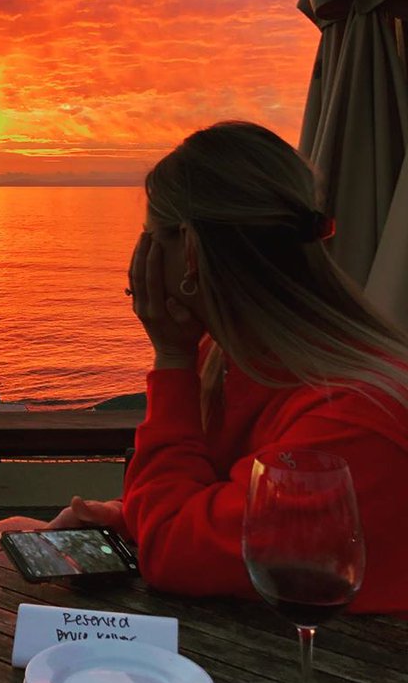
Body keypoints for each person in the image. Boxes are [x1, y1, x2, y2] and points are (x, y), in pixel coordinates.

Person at [51, 121, 408, 612]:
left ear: (192, 252)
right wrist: (128, 518)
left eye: (152, 237)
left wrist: (171, 362)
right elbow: (214, 509)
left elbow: (176, 553)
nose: (140, 259)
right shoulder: (233, 360)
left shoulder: (354, 418)